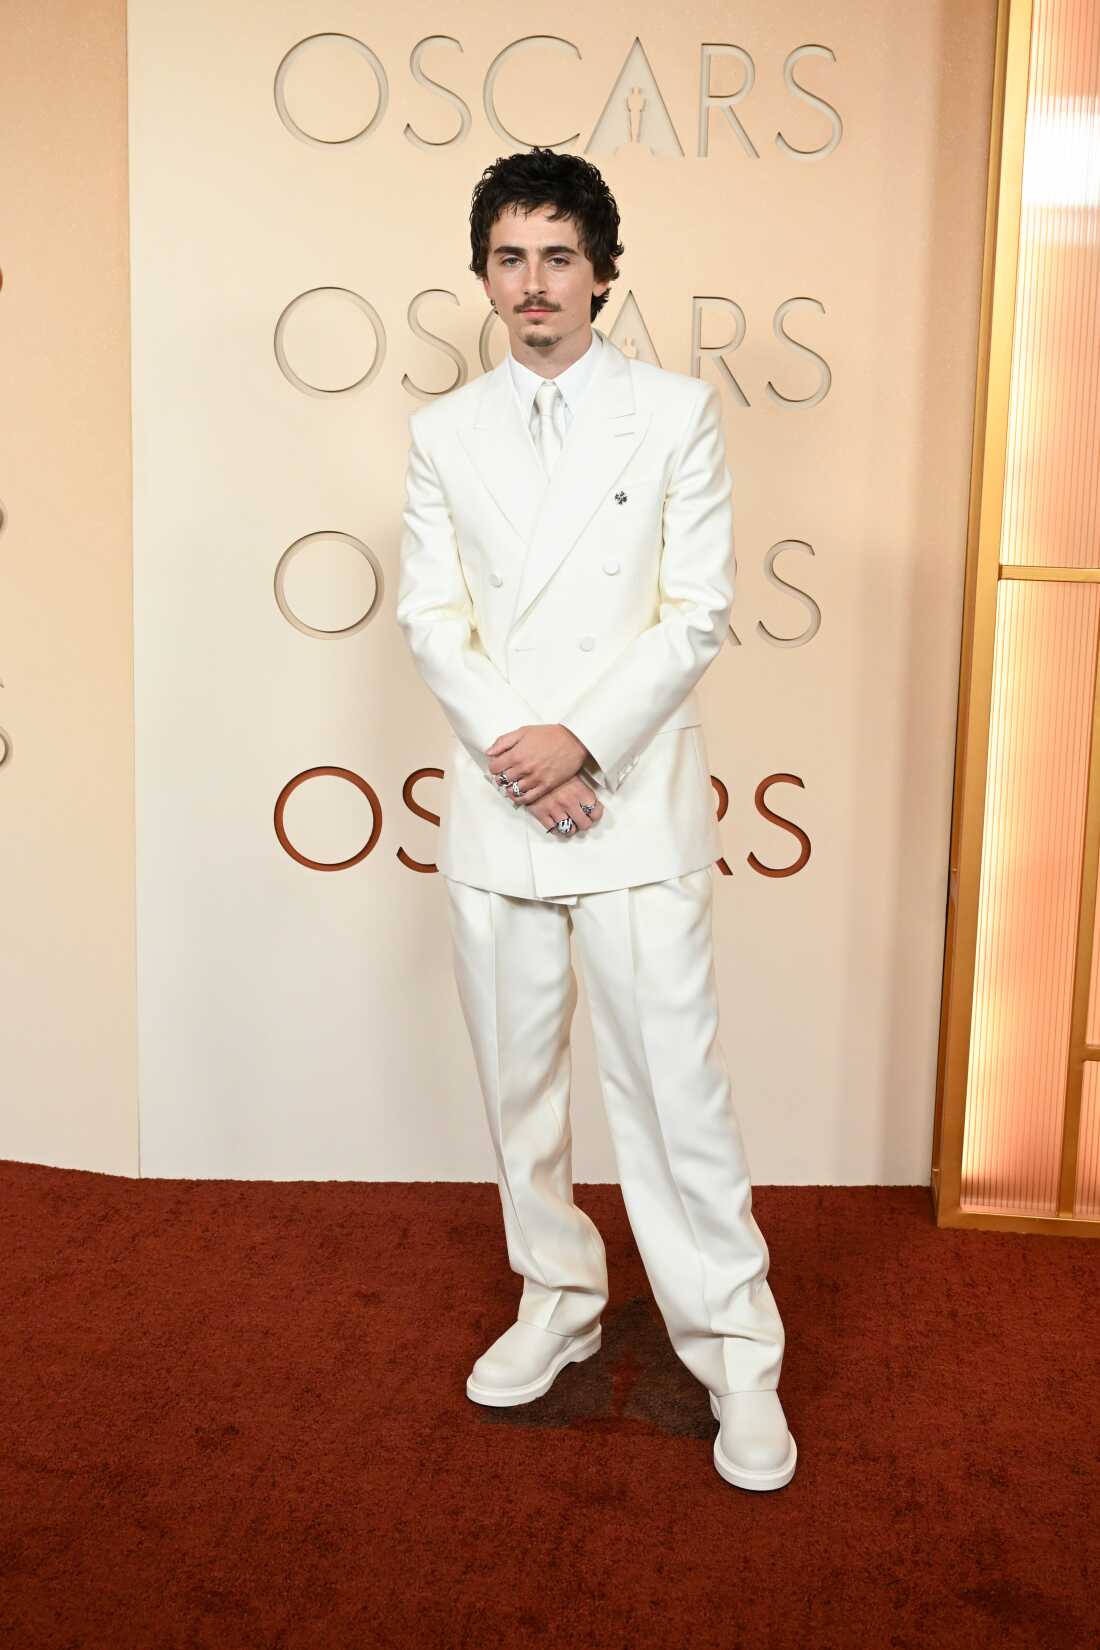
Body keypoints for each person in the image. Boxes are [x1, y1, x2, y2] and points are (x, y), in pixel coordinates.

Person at [396, 147, 796, 1491]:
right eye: (509, 256)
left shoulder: (675, 412)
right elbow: (428, 618)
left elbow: (695, 612)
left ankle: (738, 1353)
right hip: (508, 803)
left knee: (673, 1095)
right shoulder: (444, 433)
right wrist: (528, 757)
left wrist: (583, 744)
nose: (534, 282)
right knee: (520, 1095)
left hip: (627, 803)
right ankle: (557, 1300)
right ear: (484, 277)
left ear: (604, 271)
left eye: (558, 254)